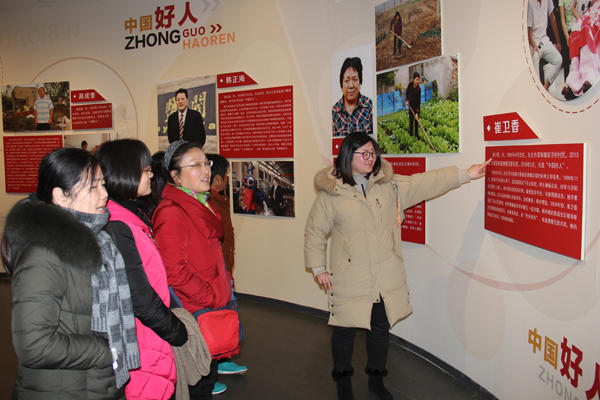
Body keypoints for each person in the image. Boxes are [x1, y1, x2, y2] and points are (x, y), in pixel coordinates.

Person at [304, 132, 491, 400]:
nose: (370, 158)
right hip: (349, 275)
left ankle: (376, 381)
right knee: (344, 331)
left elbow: (425, 182)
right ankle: (343, 383)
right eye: (364, 153)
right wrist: (318, 268)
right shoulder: (331, 194)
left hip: (385, 275)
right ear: (347, 156)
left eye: (373, 153)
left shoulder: (388, 186)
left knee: (380, 329)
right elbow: (314, 232)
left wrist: (465, 174)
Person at [2, 148, 140, 399]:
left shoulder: (100, 241)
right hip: (63, 388)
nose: (104, 194)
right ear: (61, 196)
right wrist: (106, 350)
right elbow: (34, 345)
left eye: (103, 184)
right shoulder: (44, 253)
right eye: (92, 187)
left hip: (99, 382)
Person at [96, 139, 189, 400]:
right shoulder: (117, 225)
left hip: (150, 335)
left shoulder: (132, 216)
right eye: (145, 170)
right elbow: (138, 295)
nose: (151, 175)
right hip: (141, 338)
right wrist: (177, 330)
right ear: (123, 172)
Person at [153, 140, 241, 399]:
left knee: (207, 380)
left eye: (206, 163)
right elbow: (174, 271)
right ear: (175, 175)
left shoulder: (202, 204)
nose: (205, 170)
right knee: (196, 386)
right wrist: (212, 296)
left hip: (211, 306)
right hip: (195, 313)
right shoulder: (172, 211)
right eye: (195, 165)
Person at [207, 153, 249, 381]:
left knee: (223, 316)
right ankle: (211, 369)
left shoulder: (218, 202)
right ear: (218, 179)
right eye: (226, 175)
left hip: (223, 270)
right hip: (216, 273)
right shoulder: (210, 205)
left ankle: (222, 359)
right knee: (215, 317)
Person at [332, 57, 373, 137]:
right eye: (347, 80)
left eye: (355, 79)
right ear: (341, 85)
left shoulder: (370, 106)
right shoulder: (334, 112)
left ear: (360, 83)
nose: (351, 85)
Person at [528, 0, 563, 90]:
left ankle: (544, 88)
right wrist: (534, 45)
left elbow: (552, 18)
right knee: (535, 60)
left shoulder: (547, 1)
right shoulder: (530, 4)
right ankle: (537, 91)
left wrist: (558, 41)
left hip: (544, 39)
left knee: (558, 60)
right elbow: (529, 33)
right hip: (534, 41)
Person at [405, 71, 421, 137]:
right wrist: (407, 100)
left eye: (418, 80)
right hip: (411, 106)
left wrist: (417, 113)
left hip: (416, 107)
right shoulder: (410, 85)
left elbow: (418, 101)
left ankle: (416, 136)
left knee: (416, 122)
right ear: (413, 79)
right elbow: (407, 92)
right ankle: (411, 135)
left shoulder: (419, 89)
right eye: (416, 80)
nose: (417, 81)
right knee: (411, 121)